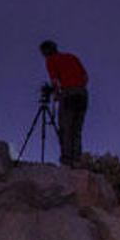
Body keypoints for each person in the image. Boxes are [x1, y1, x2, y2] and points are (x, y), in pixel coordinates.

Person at [40, 40, 89, 168]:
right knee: (76, 129)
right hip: (82, 94)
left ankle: (67, 160)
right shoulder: (71, 57)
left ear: (46, 51)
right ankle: (77, 159)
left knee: (66, 128)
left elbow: (55, 81)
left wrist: (57, 94)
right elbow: (85, 77)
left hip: (69, 94)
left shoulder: (51, 60)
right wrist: (77, 86)